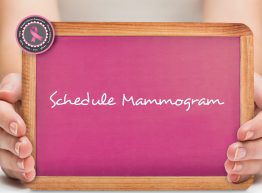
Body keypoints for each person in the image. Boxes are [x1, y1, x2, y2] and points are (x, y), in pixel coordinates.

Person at [0, 0, 261, 183]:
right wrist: (22, 109)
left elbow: (236, 48)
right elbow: (26, 47)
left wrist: (249, 113)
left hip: (199, 142)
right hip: (69, 141)